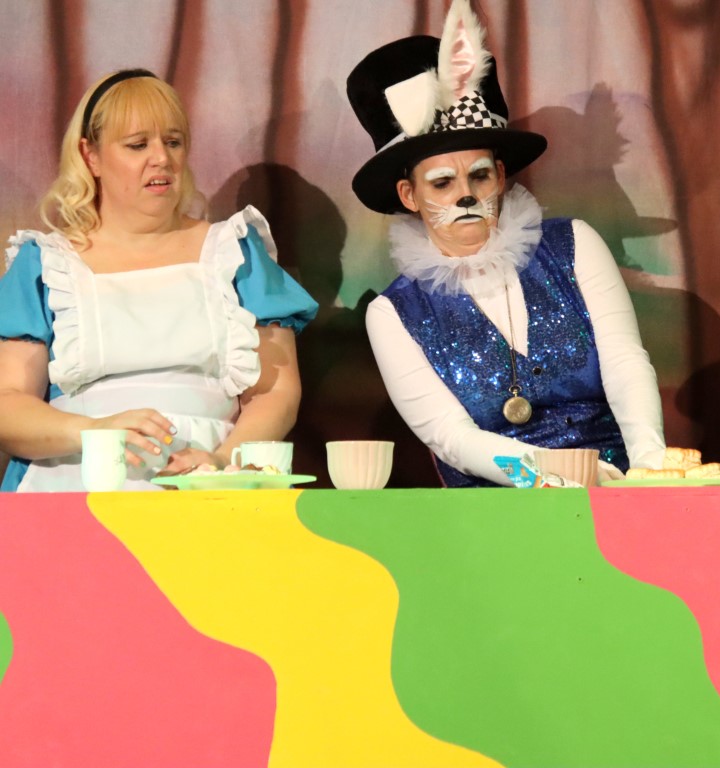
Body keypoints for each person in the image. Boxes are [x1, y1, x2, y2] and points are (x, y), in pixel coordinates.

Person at [345, 0, 665, 487]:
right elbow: (450, 436)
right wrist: (550, 475)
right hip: (494, 509)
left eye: (478, 176)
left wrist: (649, 472)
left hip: (617, 490)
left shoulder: (574, 245)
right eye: (442, 183)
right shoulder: (393, 314)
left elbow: (625, 363)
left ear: (499, 176)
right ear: (409, 195)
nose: (466, 195)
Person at [0, 69, 318, 491]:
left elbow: (275, 393)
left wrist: (221, 462)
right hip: (73, 484)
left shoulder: (234, 252)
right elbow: (9, 404)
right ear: (90, 156)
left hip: (209, 486)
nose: (162, 158)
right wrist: (96, 431)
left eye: (173, 142)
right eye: (138, 145)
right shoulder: (47, 264)